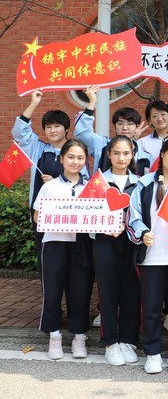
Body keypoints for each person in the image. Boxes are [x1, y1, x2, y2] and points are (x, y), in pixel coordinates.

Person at [127, 136, 168, 374]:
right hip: (151, 258)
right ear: (163, 154)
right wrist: (142, 233)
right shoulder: (145, 184)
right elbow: (133, 216)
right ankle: (153, 352)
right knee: (152, 309)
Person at [13, 90, 87, 267]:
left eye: (57, 126)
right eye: (48, 127)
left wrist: (57, 182)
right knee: (47, 261)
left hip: (71, 214)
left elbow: (85, 182)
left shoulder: (75, 153)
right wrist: (33, 103)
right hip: (42, 214)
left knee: (74, 262)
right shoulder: (38, 149)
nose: (53, 130)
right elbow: (19, 133)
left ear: (66, 129)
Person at [34, 139, 92, 361]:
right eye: (71, 157)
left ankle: (79, 337)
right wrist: (56, 218)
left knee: (81, 291)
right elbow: (37, 216)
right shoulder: (49, 186)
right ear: (61, 159)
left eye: (80, 158)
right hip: (54, 243)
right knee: (52, 290)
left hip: (82, 244)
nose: (75, 162)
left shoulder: (91, 187)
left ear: (85, 160)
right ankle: (54, 337)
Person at [94, 136, 140, 366]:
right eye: (116, 153)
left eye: (126, 153)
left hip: (132, 243)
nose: (121, 158)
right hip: (105, 242)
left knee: (132, 291)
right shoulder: (98, 182)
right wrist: (103, 228)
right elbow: (87, 217)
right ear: (109, 155)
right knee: (108, 291)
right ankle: (110, 342)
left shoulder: (140, 183)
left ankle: (128, 340)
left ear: (132, 155)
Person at [73, 85, 148, 174]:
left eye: (130, 124)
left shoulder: (145, 156)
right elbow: (82, 134)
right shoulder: (102, 144)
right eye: (120, 123)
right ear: (114, 126)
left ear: (137, 127)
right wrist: (92, 102)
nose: (125, 127)